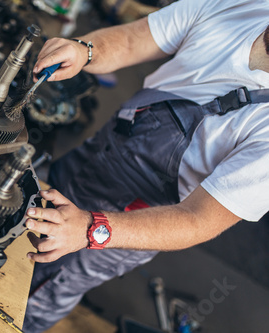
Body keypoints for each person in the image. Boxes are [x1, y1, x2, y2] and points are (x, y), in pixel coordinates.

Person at [22, 0, 269, 331]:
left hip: (127, 217)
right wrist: (85, 51)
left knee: (35, 292)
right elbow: (131, 40)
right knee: (19, 226)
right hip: (101, 151)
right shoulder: (242, 5)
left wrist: (89, 229)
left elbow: (197, 220)